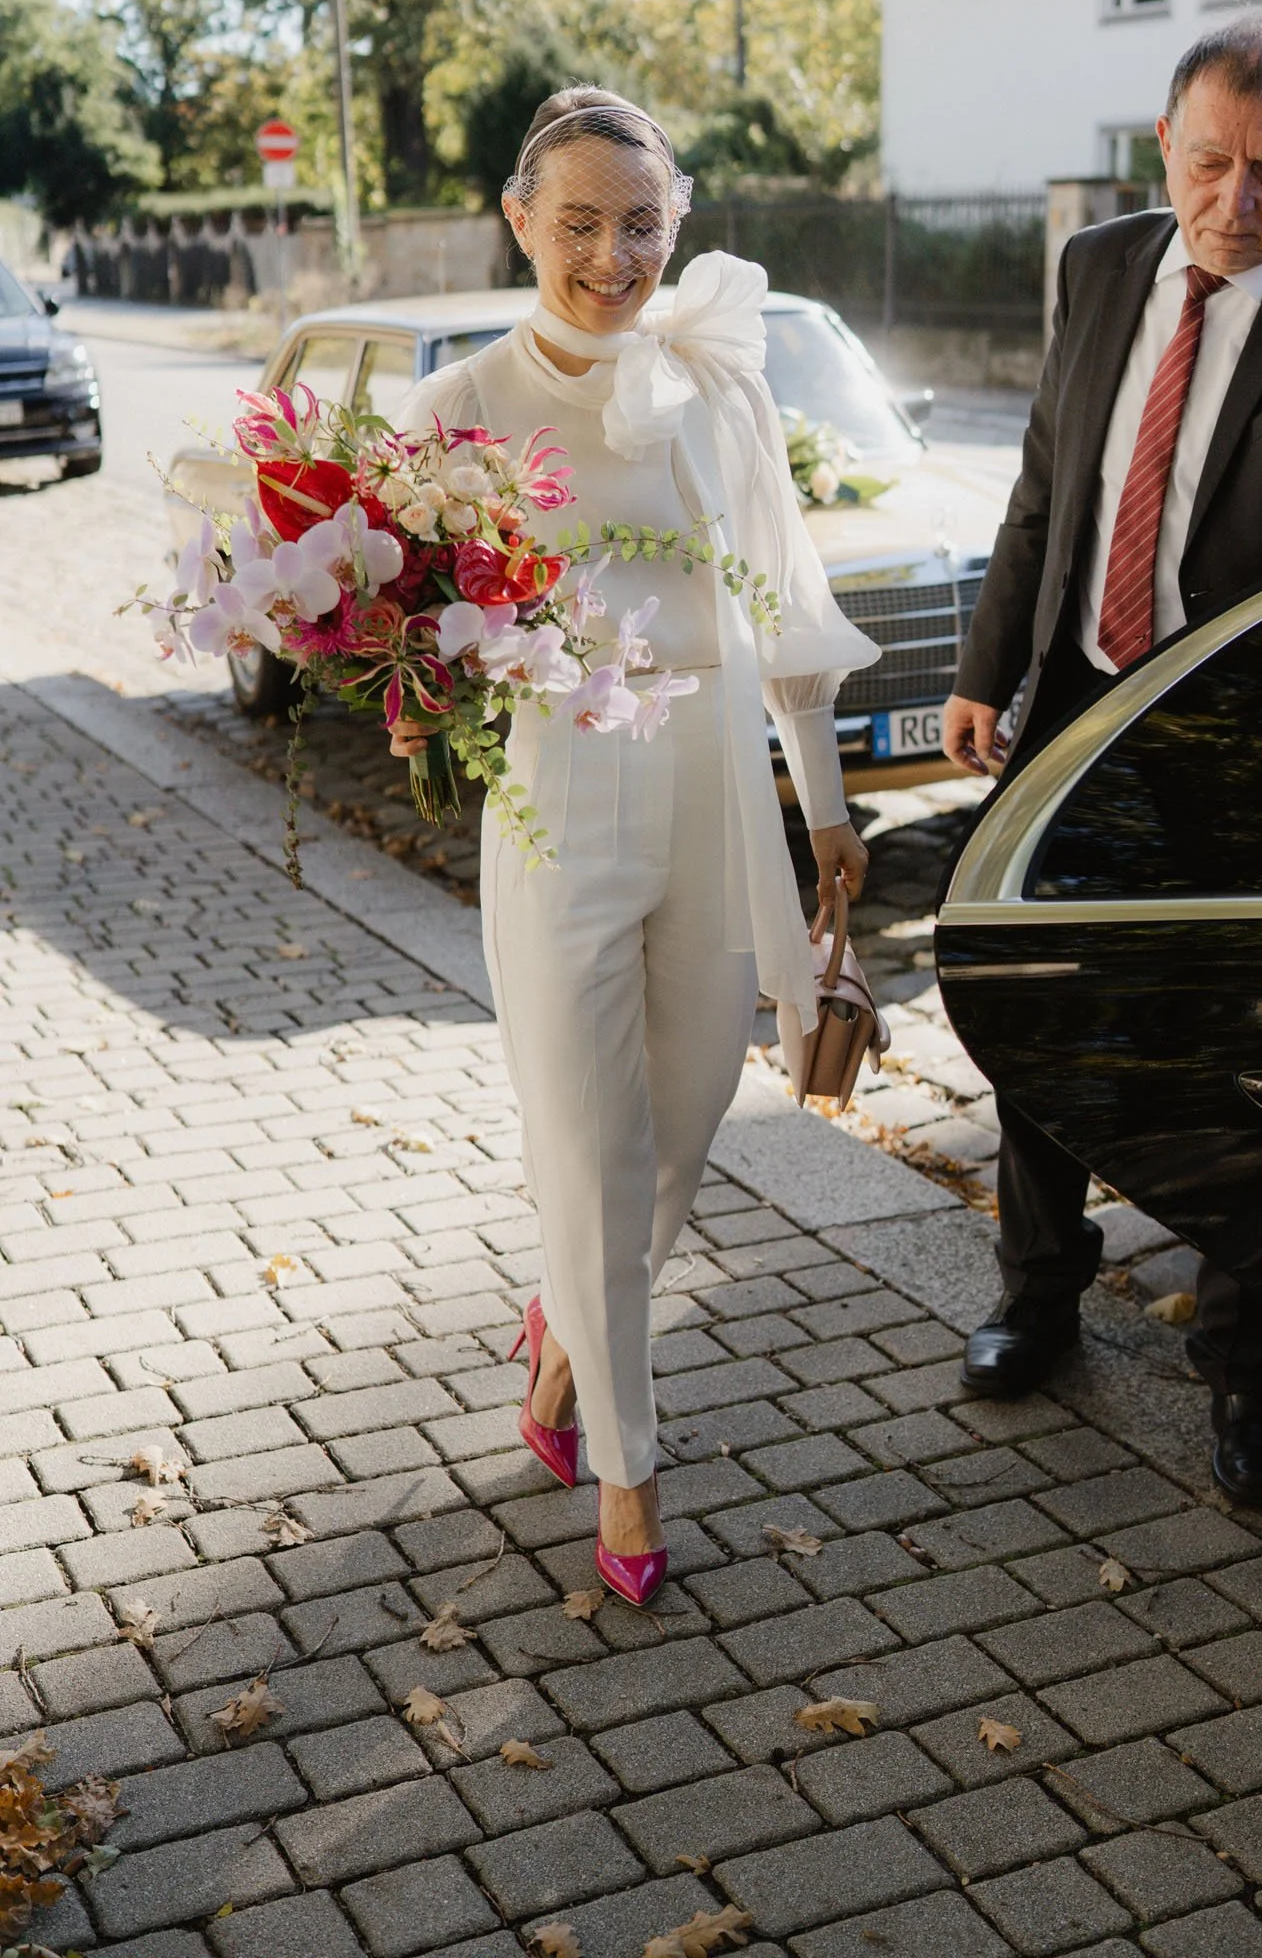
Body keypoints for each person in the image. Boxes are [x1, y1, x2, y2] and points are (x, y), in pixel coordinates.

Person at [942, 16, 1262, 1509]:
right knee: (1040, 1020)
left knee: (1250, 1075)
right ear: (1163, 146)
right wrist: (987, 676)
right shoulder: (1099, 266)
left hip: (1242, 747)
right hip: (1078, 712)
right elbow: (1049, 482)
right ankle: (1038, 1291)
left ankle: (1247, 1373)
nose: (1238, 201)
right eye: (1211, 164)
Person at [393, 87, 875, 1601]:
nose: (614, 256)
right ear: (520, 218)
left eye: (645, 223)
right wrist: (404, 687)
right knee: (590, 1152)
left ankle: (561, 1348)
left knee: (683, 1126)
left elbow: (780, 608)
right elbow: (405, 627)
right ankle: (628, 1471)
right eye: (582, 222)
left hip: (717, 782)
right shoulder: (457, 402)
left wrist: (828, 805)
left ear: (680, 224)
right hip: (557, 798)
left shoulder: (720, 384)